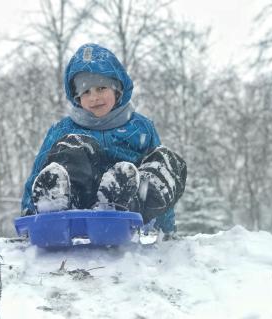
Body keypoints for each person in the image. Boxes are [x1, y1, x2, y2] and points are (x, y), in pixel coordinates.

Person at [21, 43, 186, 236]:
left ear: (117, 89)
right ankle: (55, 206)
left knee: (166, 160)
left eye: (101, 88)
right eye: (86, 92)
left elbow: (157, 172)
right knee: (72, 147)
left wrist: (166, 229)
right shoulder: (64, 129)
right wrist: (29, 216)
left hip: (132, 211)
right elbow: (38, 172)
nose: (94, 98)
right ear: (77, 97)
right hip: (80, 211)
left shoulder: (141, 126)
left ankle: (117, 204)